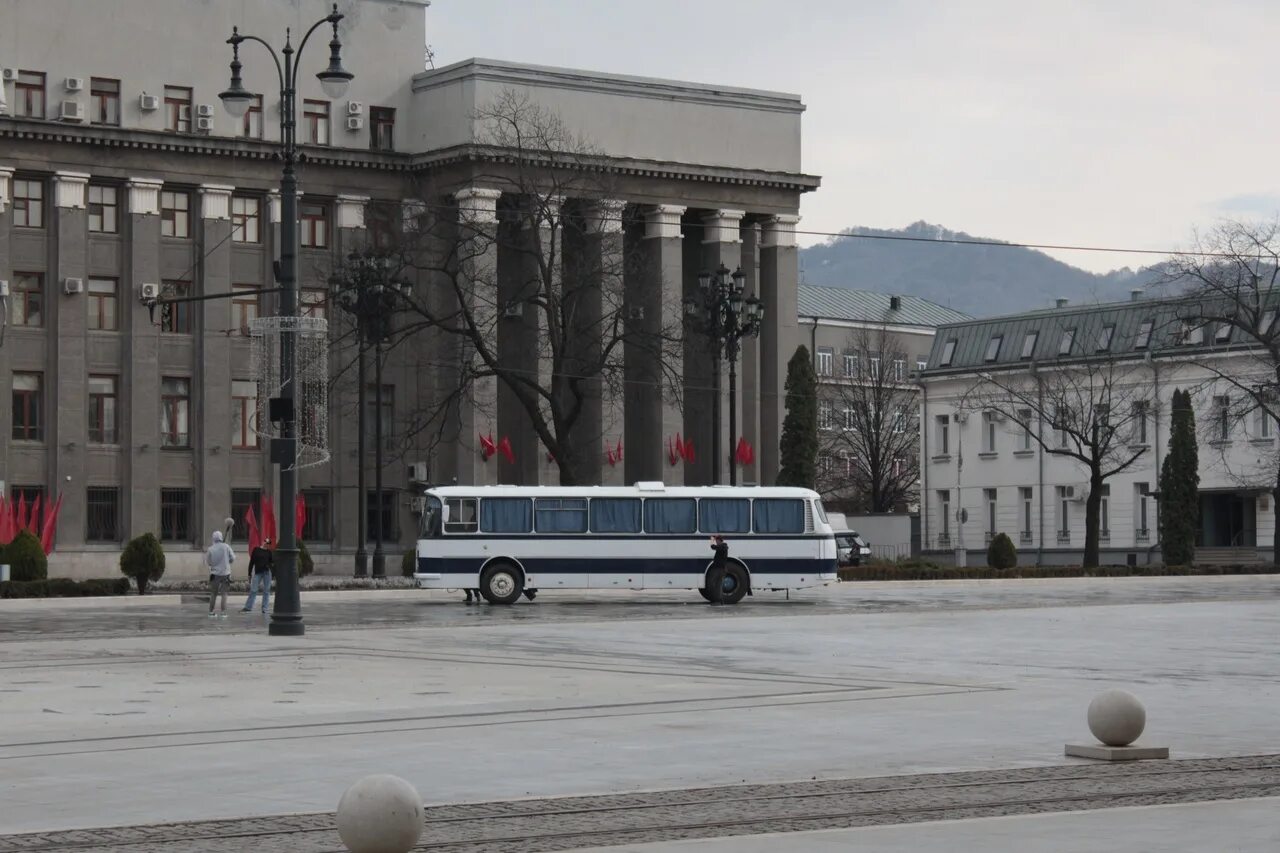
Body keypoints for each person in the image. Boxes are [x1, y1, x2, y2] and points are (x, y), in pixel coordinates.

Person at [205, 530, 235, 618]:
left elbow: (209, 562)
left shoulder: (210, 549)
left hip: (215, 574)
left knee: (213, 593)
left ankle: (211, 612)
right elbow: (232, 558)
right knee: (224, 593)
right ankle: (223, 613)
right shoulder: (226, 547)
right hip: (226, 573)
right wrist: (227, 561)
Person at [241, 538, 274, 614]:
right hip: (258, 572)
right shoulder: (256, 550)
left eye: (268, 543)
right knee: (254, 589)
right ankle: (248, 607)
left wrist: (270, 567)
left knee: (266, 591)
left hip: (267, 572)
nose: (267, 544)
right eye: (266, 542)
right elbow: (251, 562)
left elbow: (272, 562)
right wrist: (249, 574)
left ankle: (264, 608)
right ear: (263, 542)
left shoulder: (269, 552)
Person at [706, 535, 729, 605]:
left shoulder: (722, 547)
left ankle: (717, 601)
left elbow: (713, 547)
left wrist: (711, 540)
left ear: (720, 540)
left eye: (717, 541)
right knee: (718, 585)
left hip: (718, 569)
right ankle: (720, 601)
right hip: (720, 569)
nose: (716, 542)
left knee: (715, 584)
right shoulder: (723, 547)